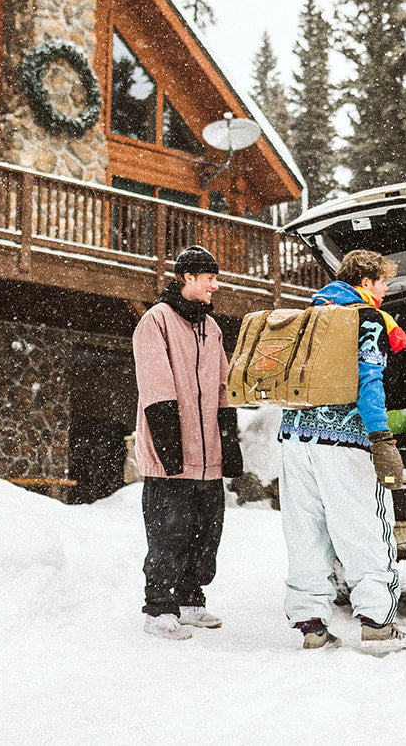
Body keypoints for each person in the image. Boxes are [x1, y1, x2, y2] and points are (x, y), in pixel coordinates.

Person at [279, 248, 406, 651]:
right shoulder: (365, 318)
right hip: (344, 441)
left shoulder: (308, 315)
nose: (386, 289)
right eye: (382, 281)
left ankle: (312, 627)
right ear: (365, 281)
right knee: (365, 529)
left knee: (306, 532)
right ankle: (377, 625)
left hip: (295, 439)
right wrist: (381, 436)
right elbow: (369, 379)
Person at [132, 244, 243, 640]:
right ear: (187, 278)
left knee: (206, 533)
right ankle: (159, 609)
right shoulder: (156, 321)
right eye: (209, 278)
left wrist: (228, 441)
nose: (215, 285)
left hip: (207, 454)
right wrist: (170, 449)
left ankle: (191, 600)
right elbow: (156, 387)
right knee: (169, 533)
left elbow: (222, 387)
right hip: (172, 455)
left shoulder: (210, 327)